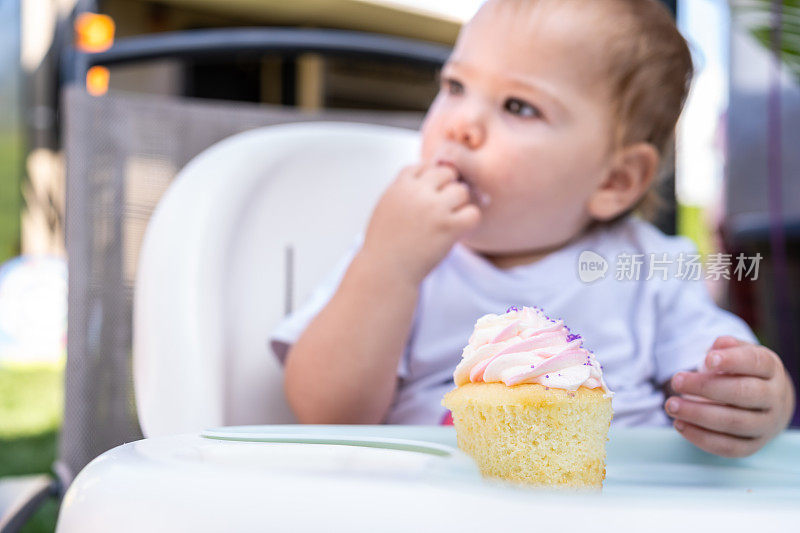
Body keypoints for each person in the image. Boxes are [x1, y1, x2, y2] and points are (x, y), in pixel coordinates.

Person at [270, 0, 795, 458]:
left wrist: (758, 403)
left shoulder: (648, 267)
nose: (460, 124)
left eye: (517, 106)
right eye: (455, 85)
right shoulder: (397, 251)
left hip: (617, 505)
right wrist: (387, 267)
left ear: (614, 179)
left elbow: (723, 373)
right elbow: (326, 414)